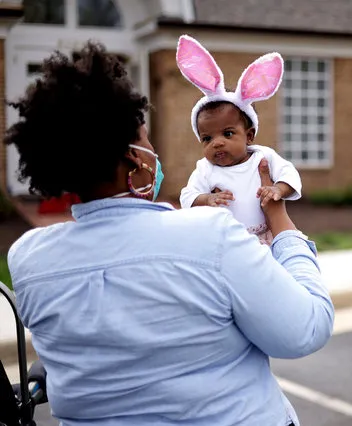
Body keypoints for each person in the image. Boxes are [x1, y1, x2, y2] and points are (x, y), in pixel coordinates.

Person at [5, 41, 334, 426]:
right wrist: (279, 218)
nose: (153, 150)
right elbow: (305, 329)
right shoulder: (210, 236)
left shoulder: (28, 260)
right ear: (134, 157)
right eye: (145, 139)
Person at [177, 35, 302, 245]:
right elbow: (187, 196)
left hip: (264, 235)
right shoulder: (205, 169)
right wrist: (206, 199)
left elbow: (290, 174)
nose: (216, 143)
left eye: (227, 134)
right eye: (207, 138)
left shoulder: (263, 157)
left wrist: (278, 189)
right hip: (226, 241)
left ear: (249, 136)